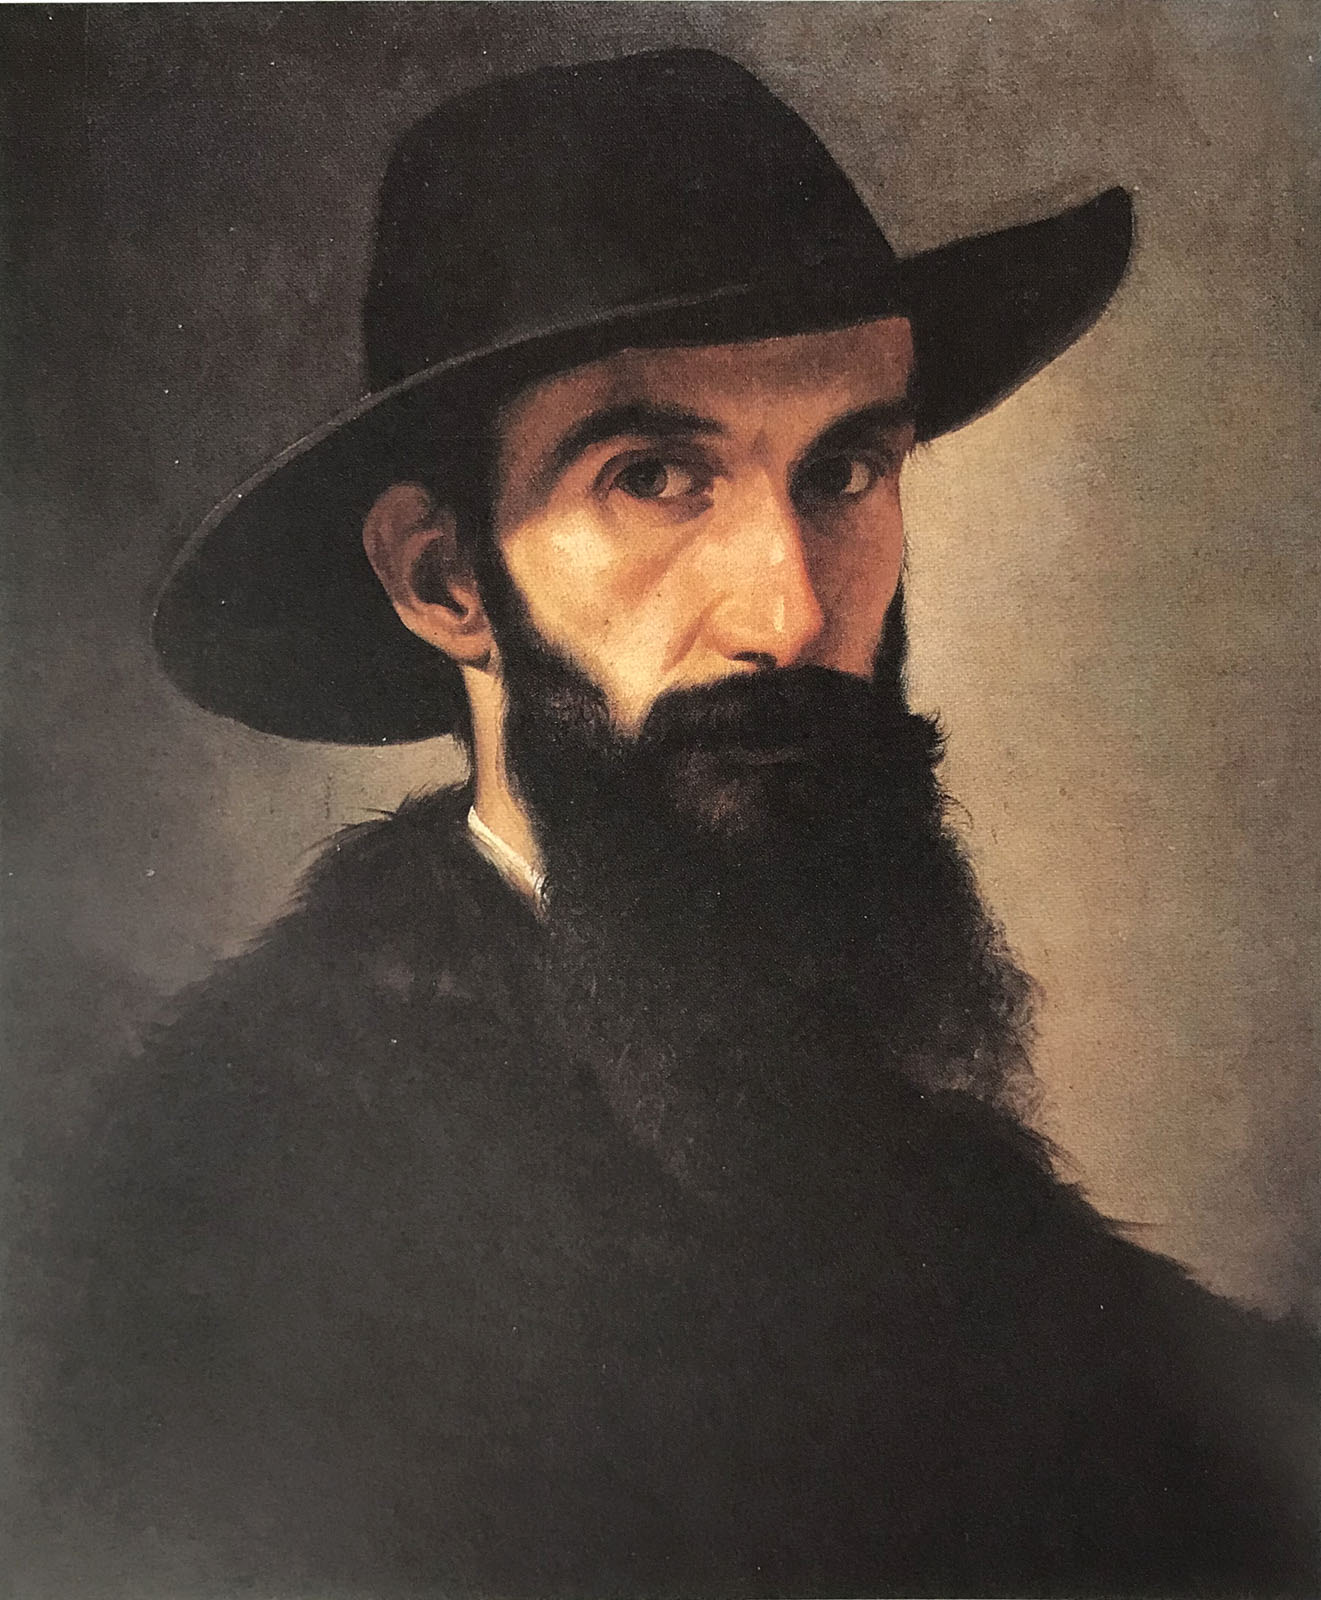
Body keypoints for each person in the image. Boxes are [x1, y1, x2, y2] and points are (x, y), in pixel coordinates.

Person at [14, 46, 1315, 1600]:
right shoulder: (240, 1189)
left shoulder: (862, 1117)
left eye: (845, 469)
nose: (791, 611)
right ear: (442, 579)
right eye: (652, 478)